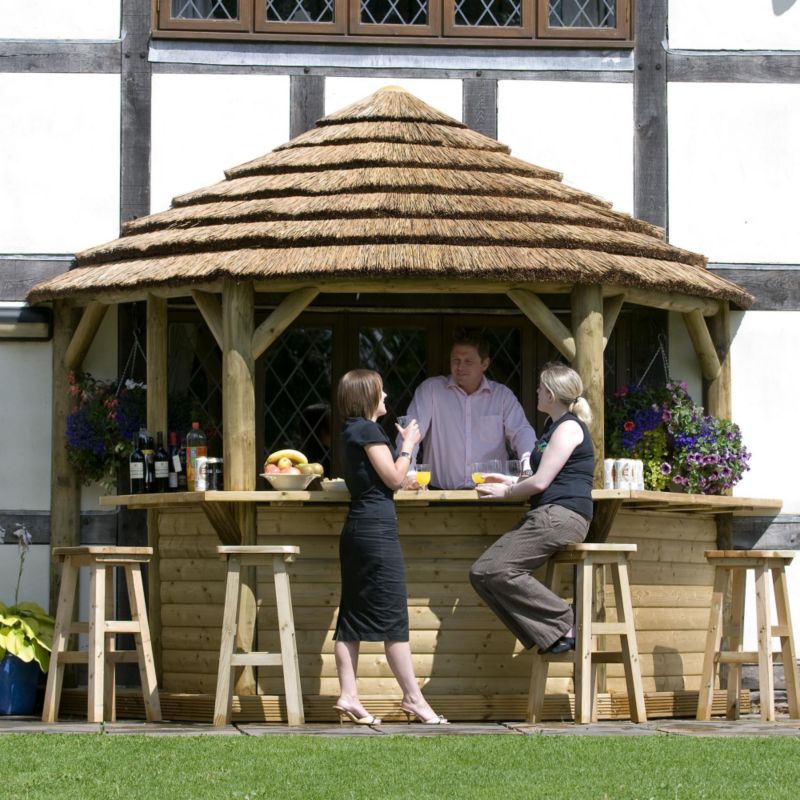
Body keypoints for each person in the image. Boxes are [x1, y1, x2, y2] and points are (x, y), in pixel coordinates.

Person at [333, 368, 449, 725]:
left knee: (351, 617)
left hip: (357, 531)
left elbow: (382, 481)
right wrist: (409, 446)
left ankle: (349, 695)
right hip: (375, 533)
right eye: (381, 392)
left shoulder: (350, 431)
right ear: (367, 396)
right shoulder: (369, 430)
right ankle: (414, 699)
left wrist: (399, 477)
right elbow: (394, 477)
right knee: (394, 617)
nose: (385, 397)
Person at [469, 362, 594, 654]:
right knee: (481, 573)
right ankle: (553, 634)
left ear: (550, 393)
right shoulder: (554, 427)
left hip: (561, 515)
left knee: (494, 570)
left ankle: (563, 621)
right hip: (549, 514)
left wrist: (507, 491)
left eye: (540, 387)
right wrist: (509, 478)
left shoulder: (568, 429)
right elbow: (542, 477)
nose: (536, 391)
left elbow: (540, 483)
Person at [398, 329, 536, 489]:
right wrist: (409, 472)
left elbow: (522, 432)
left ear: (485, 363)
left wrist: (528, 466)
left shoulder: (502, 396)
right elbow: (409, 432)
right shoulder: (431, 390)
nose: (460, 367)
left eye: (468, 361)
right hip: (440, 496)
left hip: (490, 495)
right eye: (455, 360)